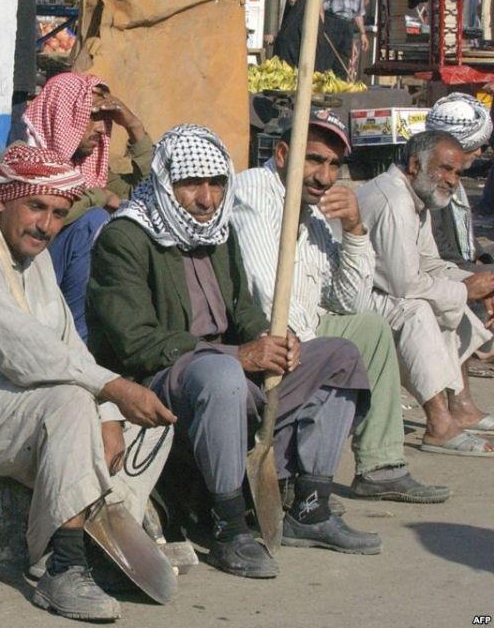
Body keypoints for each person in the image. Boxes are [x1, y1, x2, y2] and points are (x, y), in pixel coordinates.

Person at [87, 124, 380, 580]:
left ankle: (311, 507)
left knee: (339, 356)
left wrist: (272, 339)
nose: (206, 199)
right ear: (166, 181)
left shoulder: (219, 233)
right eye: (191, 185)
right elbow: (135, 342)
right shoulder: (125, 237)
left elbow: (242, 311)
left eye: (216, 184)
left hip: (228, 370)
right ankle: (228, 528)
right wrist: (237, 355)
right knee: (220, 374)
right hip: (163, 379)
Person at [0, 144, 175, 622]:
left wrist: (111, 414)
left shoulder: (36, 256)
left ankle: (110, 529)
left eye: (57, 213)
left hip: (23, 400)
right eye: (36, 207)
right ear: (3, 201)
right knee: (72, 401)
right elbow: (25, 353)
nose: (46, 225)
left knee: (153, 424)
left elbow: (69, 343)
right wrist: (108, 392)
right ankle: (63, 564)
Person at [231, 110, 449, 503]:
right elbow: (266, 292)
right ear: (283, 155)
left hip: (306, 329)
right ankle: (307, 486)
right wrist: (319, 350)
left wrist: (354, 230)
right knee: (341, 351)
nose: (325, 175)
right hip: (261, 334)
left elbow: (348, 300)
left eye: (334, 164)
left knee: (371, 328)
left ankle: (380, 467)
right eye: (314, 160)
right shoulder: (256, 193)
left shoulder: (313, 209)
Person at [357, 130, 494, 456]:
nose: (452, 181)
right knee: (418, 310)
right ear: (416, 164)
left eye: (457, 173)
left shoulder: (415, 198)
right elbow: (404, 285)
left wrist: (477, 283)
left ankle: (458, 407)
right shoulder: (394, 201)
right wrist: (463, 289)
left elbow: (430, 263)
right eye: (445, 169)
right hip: (352, 300)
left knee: (447, 300)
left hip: (385, 289)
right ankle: (438, 424)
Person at [22, 71, 153, 339]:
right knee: (93, 222)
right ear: (62, 115)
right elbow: (52, 210)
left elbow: (149, 195)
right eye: (91, 116)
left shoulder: (91, 170)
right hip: (28, 279)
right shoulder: (24, 160)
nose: (102, 128)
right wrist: (99, 197)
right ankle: (78, 344)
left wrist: (134, 127)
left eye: (105, 120)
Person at [426, 93, 494, 269]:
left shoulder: (455, 183)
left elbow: (466, 234)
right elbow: (441, 251)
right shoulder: (429, 185)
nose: (480, 153)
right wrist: (479, 272)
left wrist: (483, 259)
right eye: (479, 146)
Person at [319, 0, 369, 78]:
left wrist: (363, 33)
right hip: (332, 22)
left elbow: (358, 13)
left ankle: (338, 89)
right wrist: (321, 22)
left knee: (343, 61)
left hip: (347, 26)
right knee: (326, 59)